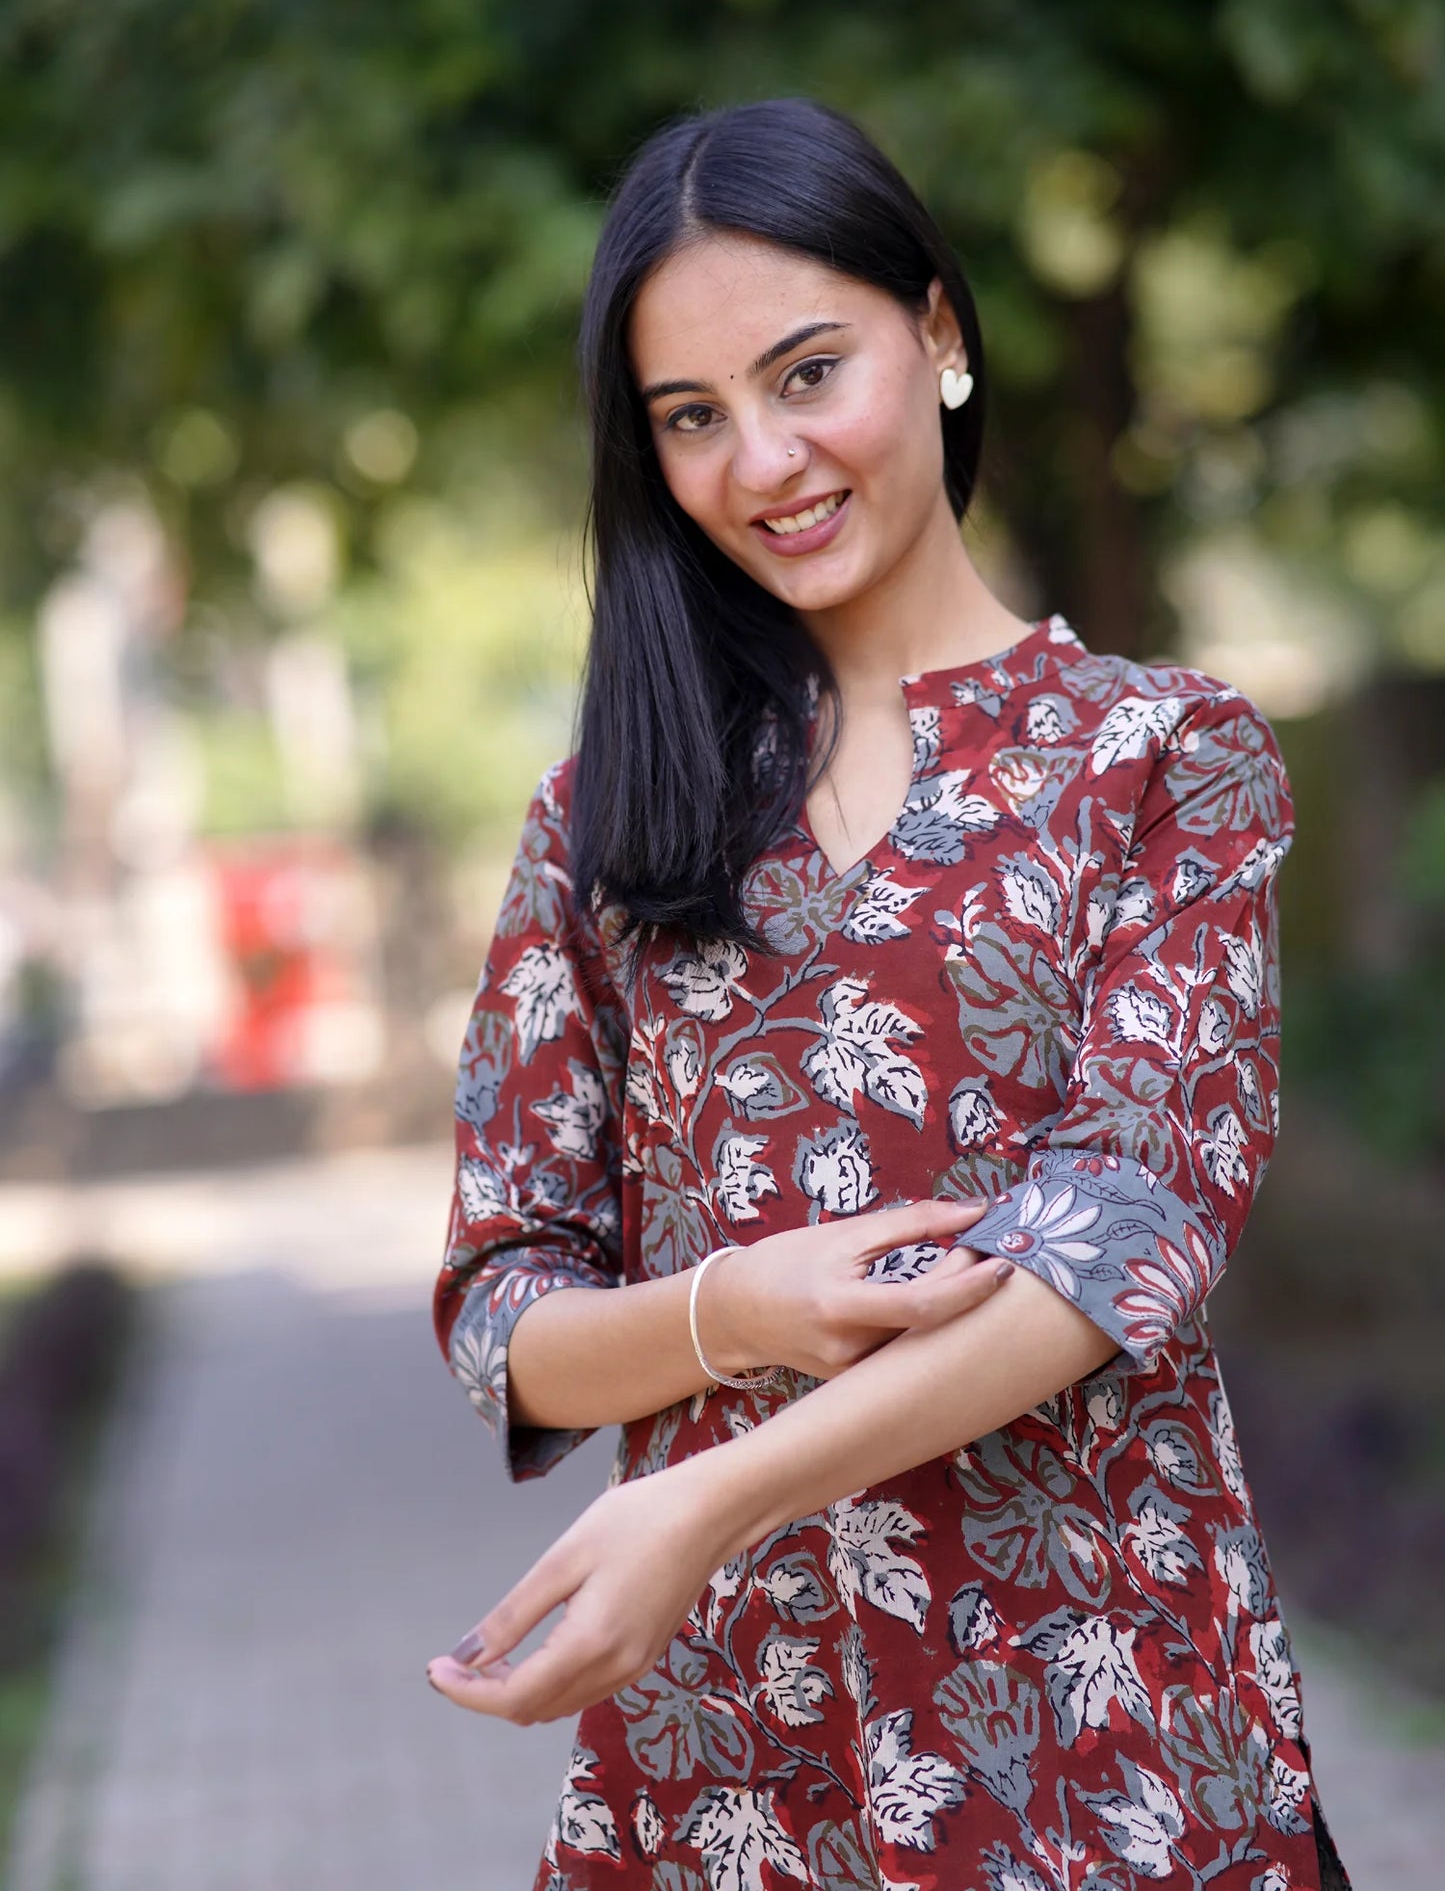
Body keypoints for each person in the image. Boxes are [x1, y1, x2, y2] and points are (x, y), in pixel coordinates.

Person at [426, 97, 1352, 1891]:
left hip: (1098, 1754)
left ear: (934, 334)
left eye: (804, 372)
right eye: (689, 419)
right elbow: (499, 1305)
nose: (760, 461)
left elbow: (1121, 1239)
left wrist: (701, 1496)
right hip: (722, 1771)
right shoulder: (609, 818)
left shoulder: (1161, 758)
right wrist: (728, 1314)